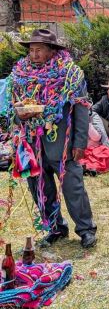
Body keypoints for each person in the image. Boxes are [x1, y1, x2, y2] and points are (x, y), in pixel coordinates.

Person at [7, 29, 97, 248]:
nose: (34, 54)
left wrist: (79, 142)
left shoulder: (70, 74)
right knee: (39, 187)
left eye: (39, 50)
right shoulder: (20, 75)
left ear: (51, 51)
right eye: (31, 50)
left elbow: (82, 109)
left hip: (62, 143)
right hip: (31, 144)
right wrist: (20, 118)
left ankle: (86, 229)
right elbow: (13, 107)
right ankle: (55, 227)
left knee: (73, 188)